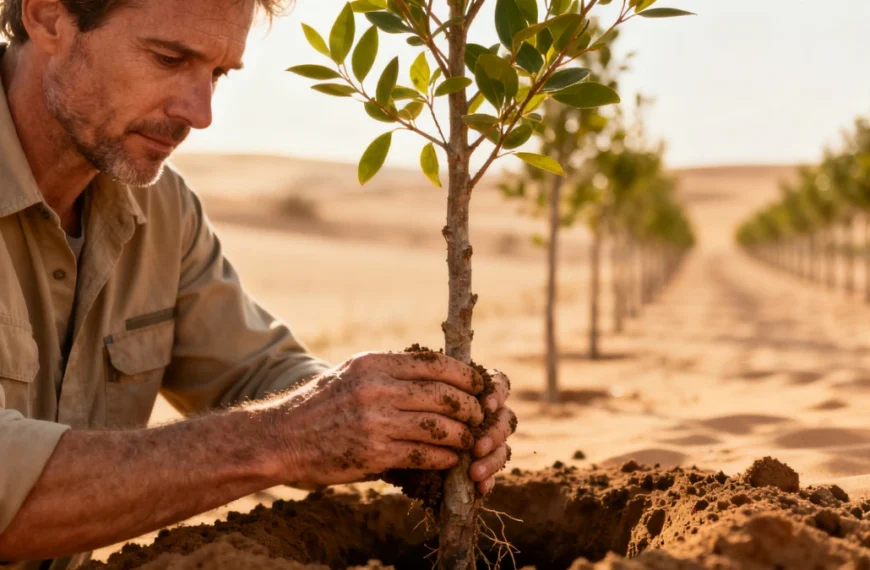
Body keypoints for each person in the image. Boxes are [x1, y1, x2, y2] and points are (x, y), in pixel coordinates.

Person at [0, 0, 515, 567]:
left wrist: (401, 420)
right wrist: (283, 437)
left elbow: (257, 374)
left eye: (218, 74)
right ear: (48, 17)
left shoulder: (162, 211)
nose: (200, 114)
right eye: (168, 58)